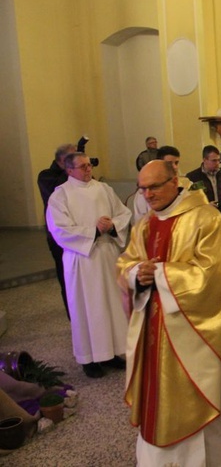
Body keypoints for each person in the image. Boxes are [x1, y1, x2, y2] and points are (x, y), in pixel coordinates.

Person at [117, 161, 221, 466]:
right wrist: (133, 274)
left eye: (154, 186)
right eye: (142, 188)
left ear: (175, 182)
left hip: (203, 329)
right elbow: (127, 262)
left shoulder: (205, 218)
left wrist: (159, 274)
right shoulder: (144, 224)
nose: (148, 194)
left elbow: (216, 275)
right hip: (156, 325)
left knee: (212, 386)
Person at [46, 152, 131, 378]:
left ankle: (112, 351)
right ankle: (89, 358)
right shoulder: (61, 195)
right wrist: (93, 230)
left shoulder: (103, 189)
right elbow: (59, 229)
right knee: (88, 306)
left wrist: (112, 225)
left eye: (89, 165)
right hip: (82, 258)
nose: (88, 170)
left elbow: (123, 213)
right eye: (82, 167)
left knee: (111, 303)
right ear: (69, 170)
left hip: (107, 254)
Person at [37, 143, 76, 319]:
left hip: (81, 233)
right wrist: (71, 172)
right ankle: (73, 317)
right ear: (61, 161)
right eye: (72, 158)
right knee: (66, 276)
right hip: (58, 237)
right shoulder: (46, 176)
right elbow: (56, 190)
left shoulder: (75, 175)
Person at [132, 145, 191, 224]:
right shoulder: (143, 193)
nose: (175, 167)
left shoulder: (187, 185)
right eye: (169, 163)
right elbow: (141, 222)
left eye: (176, 163)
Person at [186, 145, 221, 223]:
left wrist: (220, 205)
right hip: (203, 219)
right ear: (205, 160)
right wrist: (206, 205)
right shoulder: (193, 177)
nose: (217, 163)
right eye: (214, 160)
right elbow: (191, 201)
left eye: (218, 160)